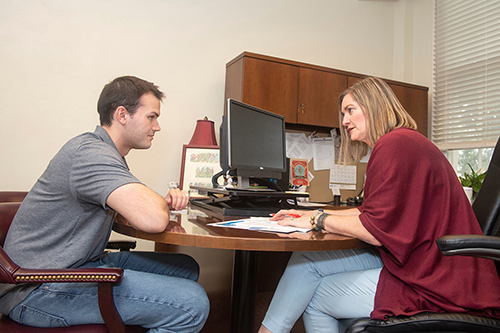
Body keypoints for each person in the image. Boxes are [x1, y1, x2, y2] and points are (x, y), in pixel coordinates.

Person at [258, 77, 500, 333]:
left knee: (316, 299)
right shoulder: (402, 142)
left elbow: (374, 230)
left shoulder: (394, 144)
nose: (344, 121)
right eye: (343, 113)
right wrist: (308, 213)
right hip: (424, 261)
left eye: (350, 110)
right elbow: (370, 212)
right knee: (305, 259)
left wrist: (317, 219)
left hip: (438, 282)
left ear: (373, 107)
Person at [0, 76, 210, 332]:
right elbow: (152, 220)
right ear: (122, 115)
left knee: (186, 268)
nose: (157, 127)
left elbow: (136, 211)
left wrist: (157, 204)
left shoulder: (105, 154)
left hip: (77, 264)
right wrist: (157, 206)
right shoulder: (91, 154)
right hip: (37, 288)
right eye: (151, 117)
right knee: (192, 303)